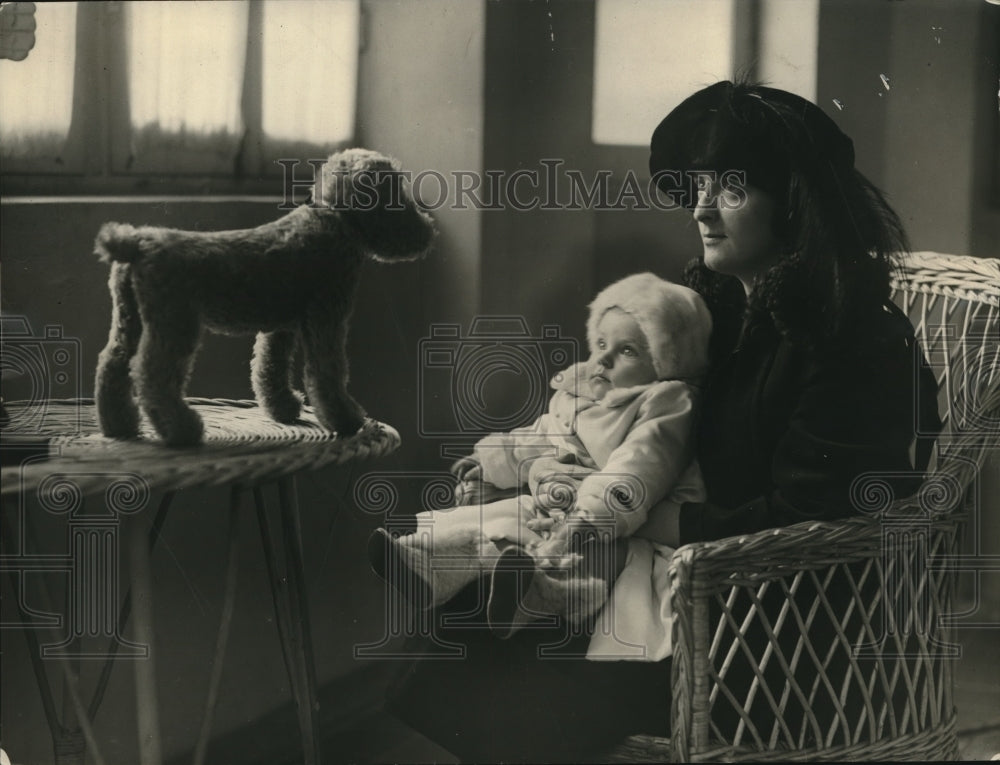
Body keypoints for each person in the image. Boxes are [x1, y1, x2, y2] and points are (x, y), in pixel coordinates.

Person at [387, 80, 941, 763]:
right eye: (699, 185)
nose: (702, 209)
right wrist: (555, 472)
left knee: (508, 669)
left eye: (731, 189)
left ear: (795, 204)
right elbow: (638, 429)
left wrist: (618, 514)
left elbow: (813, 515)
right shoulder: (715, 316)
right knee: (466, 628)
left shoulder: (852, 339)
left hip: (765, 627)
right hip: (663, 580)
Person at [369, 272, 710, 640]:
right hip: (562, 504)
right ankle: (433, 568)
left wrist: (587, 519)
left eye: (627, 350)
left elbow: (640, 465)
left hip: (628, 520)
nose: (604, 359)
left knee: (601, 555)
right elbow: (541, 435)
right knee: (503, 525)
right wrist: (492, 462)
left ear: (665, 364)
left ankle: (554, 594)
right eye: (600, 344)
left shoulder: (666, 402)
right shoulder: (581, 393)